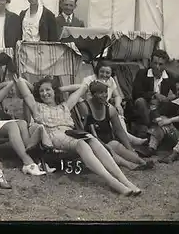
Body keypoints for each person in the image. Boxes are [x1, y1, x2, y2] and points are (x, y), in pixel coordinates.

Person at [14, 75, 142, 196]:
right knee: (81, 144)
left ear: (54, 91)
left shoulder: (65, 106)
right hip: (53, 135)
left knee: (92, 140)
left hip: (71, 133)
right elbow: (21, 83)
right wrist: (36, 89)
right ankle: (113, 182)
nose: (44, 93)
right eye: (41, 91)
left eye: (48, 90)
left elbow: (83, 87)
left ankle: (124, 180)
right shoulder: (37, 107)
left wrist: (59, 89)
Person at [62, 61, 147, 146]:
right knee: (110, 114)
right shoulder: (90, 80)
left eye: (107, 72)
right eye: (102, 71)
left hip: (105, 106)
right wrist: (61, 89)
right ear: (97, 71)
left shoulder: (111, 81)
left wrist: (118, 104)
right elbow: (79, 88)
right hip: (92, 108)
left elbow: (117, 95)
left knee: (117, 114)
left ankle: (128, 139)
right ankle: (131, 140)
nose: (104, 74)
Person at [85, 81, 154, 171]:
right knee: (108, 150)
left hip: (107, 142)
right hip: (91, 144)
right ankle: (130, 165)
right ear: (93, 95)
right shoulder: (85, 107)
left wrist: (130, 149)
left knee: (115, 144)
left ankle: (141, 162)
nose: (105, 95)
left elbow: (120, 131)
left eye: (106, 92)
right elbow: (88, 133)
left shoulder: (110, 109)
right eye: (101, 93)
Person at [131, 49, 177, 138]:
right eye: (155, 63)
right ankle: (152, 127)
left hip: (160, 106)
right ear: (150, 62)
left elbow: (178, 93)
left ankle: (153, 129)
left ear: (165, 65)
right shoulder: (142, 73)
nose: (157, 67)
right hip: (145, 104)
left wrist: (170, 98)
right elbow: (136, 93)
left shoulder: (170, 77)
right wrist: (154, 95)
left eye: (160, 64)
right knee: (140, 101)